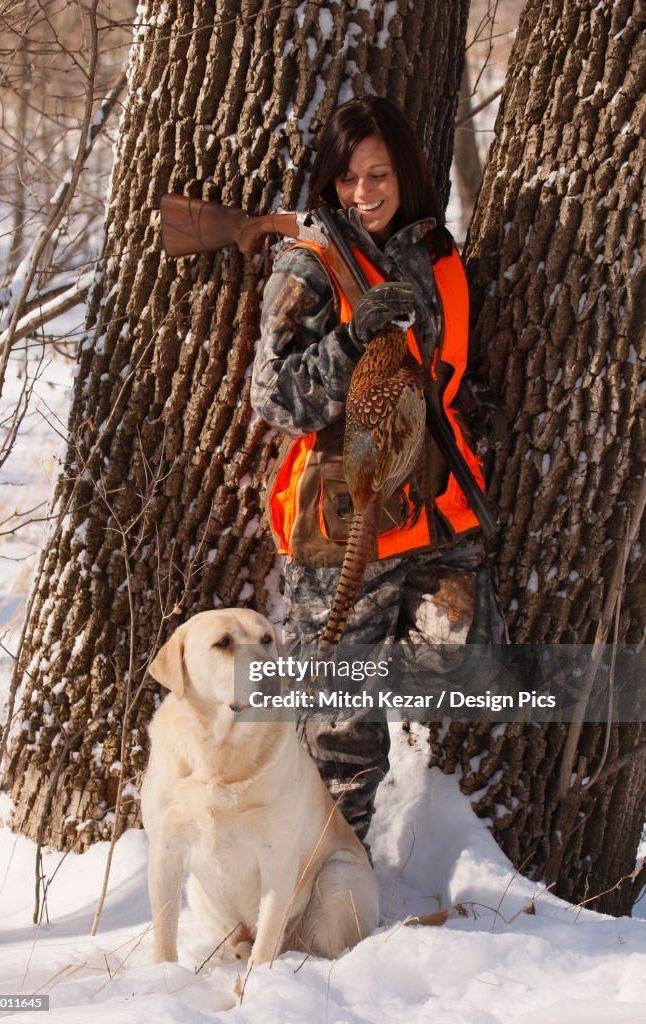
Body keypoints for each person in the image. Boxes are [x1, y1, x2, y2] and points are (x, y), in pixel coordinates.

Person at [250, 95, 505, 842]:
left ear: (406, 174)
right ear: (330, 183)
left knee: (465, 673)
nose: (365, 192)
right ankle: (334, 889)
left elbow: (451, 373)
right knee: (338, 729)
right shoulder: (313, 263)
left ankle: (434, 842)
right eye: (350, 177)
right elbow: (273, 397)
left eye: (380, 173)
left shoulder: (438, 257)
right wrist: (349, 343)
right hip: (343, 525)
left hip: (438, 513)